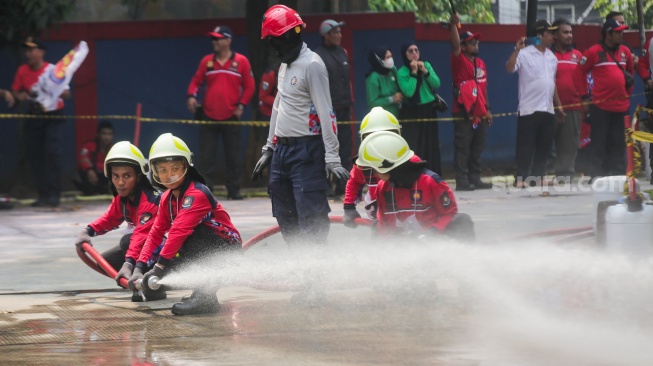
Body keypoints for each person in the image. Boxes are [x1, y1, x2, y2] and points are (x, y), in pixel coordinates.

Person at [251, 5, 349, 245]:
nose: (273, 48)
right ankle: (298, 265)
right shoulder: (285, 66)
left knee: (310, 214)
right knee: (285, 214)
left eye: (274, 41)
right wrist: (269, 148)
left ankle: (314, 272)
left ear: (287, 37)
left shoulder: (312, 65)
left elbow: (327, 112)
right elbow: (278, 106)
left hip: (306, 152)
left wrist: (332, 157)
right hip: (281, 153)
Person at [128, 133, 242, 315]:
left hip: (225, 249)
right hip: (203, 246)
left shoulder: (197, 193)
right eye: (162, 170)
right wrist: (139, 267)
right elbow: (156, 233)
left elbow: (178, 231)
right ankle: (200, 293)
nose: (169, 175)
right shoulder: (166, 198)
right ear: (154, 171)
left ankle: (206, 299)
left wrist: (158, 269)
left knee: (189, 236)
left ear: (186, 166)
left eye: (175, 168)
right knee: (173, 246)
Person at [74, 141, 161, 302]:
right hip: (147, 249)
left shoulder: (150, 200)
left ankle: (155, 288)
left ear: (138, 177)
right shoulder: (123, 198)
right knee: (104, 264)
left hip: (171, 252)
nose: (120, 182)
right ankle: (138, 279)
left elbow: (142, 236)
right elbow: (109, 218)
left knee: (128, 241)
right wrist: (87, 231)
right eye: (116, 176)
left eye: (126, 176)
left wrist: (129, 265)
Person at [355, 131, 474, 242]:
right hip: (403, 243)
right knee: (377, 228)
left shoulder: (431, 182)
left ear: (391, 167)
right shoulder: (382, 188)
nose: (373, 174)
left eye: (375, 169)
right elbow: (384, 223)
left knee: (462, 220)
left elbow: (449, 212)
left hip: (435, 240)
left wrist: (433, 232)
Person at [186, 25, 255, 200]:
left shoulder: (241, 61)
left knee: (233, 156)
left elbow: (250, 86)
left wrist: (241, 106)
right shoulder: (207, 61)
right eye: (213, 39)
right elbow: (196, 81)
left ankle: (234, 190)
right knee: (207, 156)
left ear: (228, 40)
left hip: (231, 116)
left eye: (218, 38)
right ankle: (206, 192)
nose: (214, 42)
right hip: (209, 115)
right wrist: (191, 96)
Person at [12, 38, 70, 207]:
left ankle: (54, 194)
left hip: (53, 116)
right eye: (27, 50)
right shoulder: (22, 70)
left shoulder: (52, 71)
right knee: (35, 156)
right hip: (34, 114)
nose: (28, 54)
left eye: (32, 50)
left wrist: (56, 91)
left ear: (41, 52)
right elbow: (16, 92)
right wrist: (20, 96)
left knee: (52, 154)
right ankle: (43, 195)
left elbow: (66, 94)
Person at [506, 20, 564, 188]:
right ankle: (521, 177)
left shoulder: (552, 57)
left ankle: (538, 176)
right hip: (529, 108)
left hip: (547, 107)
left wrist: (558, 105)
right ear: (539, 35)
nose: (553, 36)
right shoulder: (524, 53)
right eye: (549, 33)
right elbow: (509, 68)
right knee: (526, 145)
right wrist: (517, 50)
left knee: (544, 145)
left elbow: (551, 83)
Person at [573, 19, 634, 180]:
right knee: (599, 141)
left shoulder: (625, 52)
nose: (621, 35)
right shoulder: (593, 52)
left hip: (622, 106)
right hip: (600, 106)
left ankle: (619, 174)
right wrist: (584, 97)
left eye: (622, 31)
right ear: (608, 34)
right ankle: (597, 175)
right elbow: (578, 73)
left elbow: (630, 76)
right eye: (618, 32)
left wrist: (627, 95)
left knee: (619, 142)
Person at [343, 107, 422, 229]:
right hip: (379, 207)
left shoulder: (409, 159)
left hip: (408, 209)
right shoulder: (362, 162)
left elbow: (425, 187)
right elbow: (354, 182)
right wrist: (349, 207)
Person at [449, 13, 493, 191]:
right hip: (463, 111)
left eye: (477, 42)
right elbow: (454, 44)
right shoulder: (459, 61)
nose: (476, 44)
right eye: (472, 42)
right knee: (463, 147)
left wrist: (488, 109)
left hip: (480, 111)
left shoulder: (481, 63)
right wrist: (453, 25)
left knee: (477, 146)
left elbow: (484, 88)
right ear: (464, 46)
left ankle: (475, 178)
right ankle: (462, 180)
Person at [314, 19, 354, 196]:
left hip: (344, 108)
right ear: (326, 35)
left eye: (340, 32)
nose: (339, 35)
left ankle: (342, 186)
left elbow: (348, 82)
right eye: (335, 32)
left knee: (345, 148)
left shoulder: (343, 52)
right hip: (327, 111)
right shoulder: (318, 56)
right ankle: (325, 187)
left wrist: (350, 101)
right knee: (324, 149)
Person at [397, 41, 443, 175]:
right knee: (414, 144)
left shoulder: (426, 64)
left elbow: (437, 83)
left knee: (431, 143)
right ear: (405, 55)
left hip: (428, 109)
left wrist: (425, 71)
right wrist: (414, 72)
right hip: (411, 111)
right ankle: (414, 175)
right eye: (410, 51)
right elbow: (409, 92)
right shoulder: (402, 72)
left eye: (416, 50)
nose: (414, 53)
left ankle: (433, 175)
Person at [551, 19, 584, 181]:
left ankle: (565, 175)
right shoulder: (548, 55)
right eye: (565, 32)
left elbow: (586, 77)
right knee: (546, 142)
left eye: (571, 32)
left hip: (573, 106)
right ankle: (539, 175)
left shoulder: (578, 55)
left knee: (569, 142)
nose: (569, 35)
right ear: (555, 35)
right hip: (549, 107)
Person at [74, 121, 114, 195]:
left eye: (109, 134)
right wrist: (89, 169)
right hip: (91, 176)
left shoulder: (114, 149)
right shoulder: (89, 146)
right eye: (104, 134)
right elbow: (82, 158)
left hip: (105, 177)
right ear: (98, 135)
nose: (107, 137)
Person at [365, 46, 403, 117]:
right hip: (382, 117)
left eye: (391, 56)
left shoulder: (392, 69)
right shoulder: (373, 77)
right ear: (379, 59)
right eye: (387, 57)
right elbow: (373, 103)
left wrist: (400, 94)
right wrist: (392, 99)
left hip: (398, 114)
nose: (390, 59)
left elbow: (401, 85)